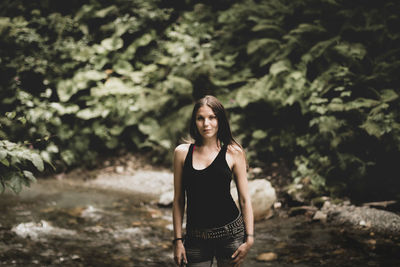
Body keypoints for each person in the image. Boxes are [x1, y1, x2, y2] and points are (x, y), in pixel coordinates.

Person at [172, 95, 254, 267]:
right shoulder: (182, 153)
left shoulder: (234, 152)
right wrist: (178, 241)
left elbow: (245, 199)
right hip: (196, 237)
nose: (206, 124)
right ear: (194, 122)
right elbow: (179, 200)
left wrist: (250, 238)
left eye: (212, 117)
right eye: (200, 118)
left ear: (220, 120)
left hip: (230, 233)